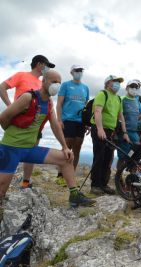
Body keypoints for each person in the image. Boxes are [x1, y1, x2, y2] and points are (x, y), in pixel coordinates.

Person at [0, 70, 95, 221]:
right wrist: (12, 134)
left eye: (59, 82)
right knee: (1, 191)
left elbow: (56, 126)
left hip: (29, 150)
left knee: (66, 158)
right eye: (53, 81)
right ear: (44, 81)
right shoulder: (27, 97)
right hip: (10, 149)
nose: (56, 85)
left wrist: (64, 146)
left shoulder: (49, 103)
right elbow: (3, 118)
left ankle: (74, 195)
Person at [0, 55, 55, 189]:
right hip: (20, 124)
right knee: (11, 152)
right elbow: (2, 87)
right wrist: (10, 106)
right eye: (47, 66)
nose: (48, 69)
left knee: (31, 151)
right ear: (39, 64)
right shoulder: (21, 75)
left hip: (36, 125)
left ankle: (25, 182)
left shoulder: (42, 82)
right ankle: (4, 182)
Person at [90, 75, 128, 196]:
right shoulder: (102, 94)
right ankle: (95, 185)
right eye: (115, 81)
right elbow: (97, 111)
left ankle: (103, 184)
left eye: (119, 82)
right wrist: (100, 129)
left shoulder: (118, 98)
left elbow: (120, 116)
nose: (118, 84)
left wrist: (125, 132)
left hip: (111, 131)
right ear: (108, 83)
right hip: (100, 129)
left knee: (108, 158)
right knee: (99, 157)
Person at [56, 65, 89, 177]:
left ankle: (71, 174)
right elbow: (59, 103)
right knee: (67, 147)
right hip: (68, 120)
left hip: (81, 122)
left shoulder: (86, 88)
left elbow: (86, 107)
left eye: (81, 70)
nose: (79, 72)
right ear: (72, 72)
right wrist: (59, 119)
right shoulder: (65, 85)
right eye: (77, 70)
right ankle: (60, 174)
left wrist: (88, 123)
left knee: (77, 149)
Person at [116, 79, 141, 162]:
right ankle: (118, 173)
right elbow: (118, 116)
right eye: (132, 86)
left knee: (135, 153)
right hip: (123, 132)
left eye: (136, 87)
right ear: (127, 88)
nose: (134, 89)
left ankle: (129, 170)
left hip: (134, 132)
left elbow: (138, 118)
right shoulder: (122, 99)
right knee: (122, 156)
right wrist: (122, 132)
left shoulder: (138, 101)